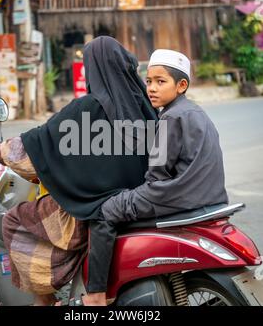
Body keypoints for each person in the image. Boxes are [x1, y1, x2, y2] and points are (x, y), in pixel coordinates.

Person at [0, 36, 157, 306]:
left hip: (95, 209)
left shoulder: (86, 108)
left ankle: (46, 300)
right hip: (137, 202)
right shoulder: (145, 106)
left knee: (15, 219)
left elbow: (36, 147)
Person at [82, 49, 229, 306]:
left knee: (103, 211)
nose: (152, 88)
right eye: (149, 81)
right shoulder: (194, 112)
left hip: (176, 196)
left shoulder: (171, 117)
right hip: (208, 195)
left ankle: (96, 296)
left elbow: (157, 176)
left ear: (181, 85)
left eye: (161, 82)